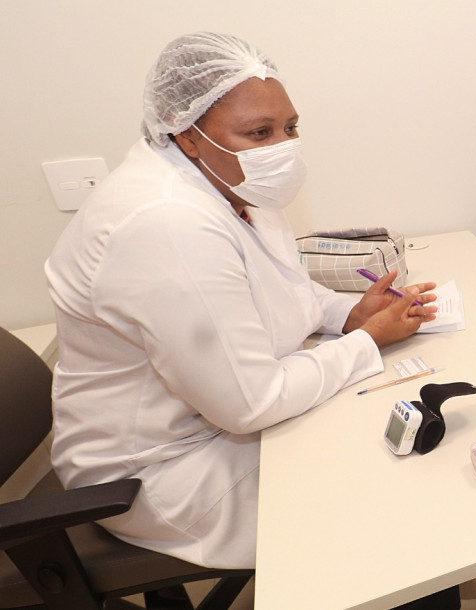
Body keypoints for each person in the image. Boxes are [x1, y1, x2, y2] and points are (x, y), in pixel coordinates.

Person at [45, 32, 437, 571]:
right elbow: (251, 404)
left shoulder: (232, 179)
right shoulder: (166, 224)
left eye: (290, 127)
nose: (282, 147)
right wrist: (368, 341)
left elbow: (282, 284)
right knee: (391, 501)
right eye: (259, 132)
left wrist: (347, 314)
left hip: (215, 421)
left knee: (390, 438)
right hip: (162, 473)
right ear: (187, 135)